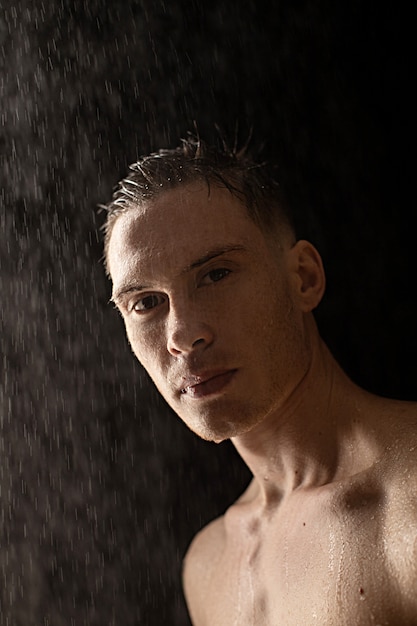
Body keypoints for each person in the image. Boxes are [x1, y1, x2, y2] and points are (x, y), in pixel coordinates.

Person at [102, 135, 417, 625]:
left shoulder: (409, 506)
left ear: (304, 278)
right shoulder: (208, 566)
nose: (182, 335)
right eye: (145, 302)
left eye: (216, 274)